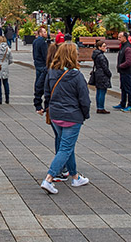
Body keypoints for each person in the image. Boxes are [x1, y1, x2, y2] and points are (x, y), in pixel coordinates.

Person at [40, 43, 91, 194]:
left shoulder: (51, 72)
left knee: (67, 146)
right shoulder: (77, 75)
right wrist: (85, 114)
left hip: (56, 115)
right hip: (72, 116)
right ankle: (49, 178)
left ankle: (75, 176)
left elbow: (47, 93)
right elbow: (84, 99)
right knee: (65, 148)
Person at [113, 31, 131, 112]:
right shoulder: (123, 46)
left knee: (128, 88)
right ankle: (122, 103)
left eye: (120, 37)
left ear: (124, 38)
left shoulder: (128, 48)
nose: (118, 39)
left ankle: (130, 105)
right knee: (123, 88)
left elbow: (128, 61)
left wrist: (120, 66)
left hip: (127, 72)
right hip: (123, 72)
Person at [90, 39, 112, 114]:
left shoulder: (96, 55)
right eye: (104, 46)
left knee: (99, 91)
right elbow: (104, 67)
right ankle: (101, 107)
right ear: (99, 47)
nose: (105, 48)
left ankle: (99, 106)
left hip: (97, 74)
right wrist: (109, 74)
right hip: (102, 75)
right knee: (102, 91)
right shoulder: (101, 56)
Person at [32, 26, 49, 114]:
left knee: (38, 80)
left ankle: (37, 94)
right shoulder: (42, 42)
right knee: (42, 81)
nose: (46, 33)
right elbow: (45, 54)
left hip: (37, 63)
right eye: (44, 32)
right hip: (42, 64)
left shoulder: (35, 41)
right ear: (40, 33)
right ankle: (39, 96)